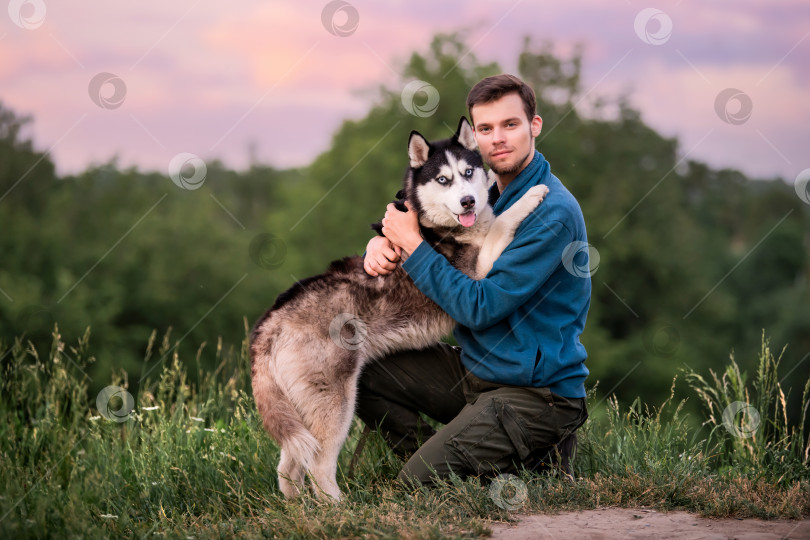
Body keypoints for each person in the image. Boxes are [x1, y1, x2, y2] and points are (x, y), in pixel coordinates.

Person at [357, 73, 590, 485]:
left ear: (534, 126)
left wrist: (411, 246)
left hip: (538, 395)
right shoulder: (484, 198)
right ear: (473, 137)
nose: (497, 138)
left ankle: (533, 458)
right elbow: (422, 216)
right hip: (477, 374)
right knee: (363, 364)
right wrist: (380, 245)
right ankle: (446, 452)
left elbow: (478, 308)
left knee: (418, 482)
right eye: (486, 128)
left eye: (510, 125)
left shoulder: (551, 213)